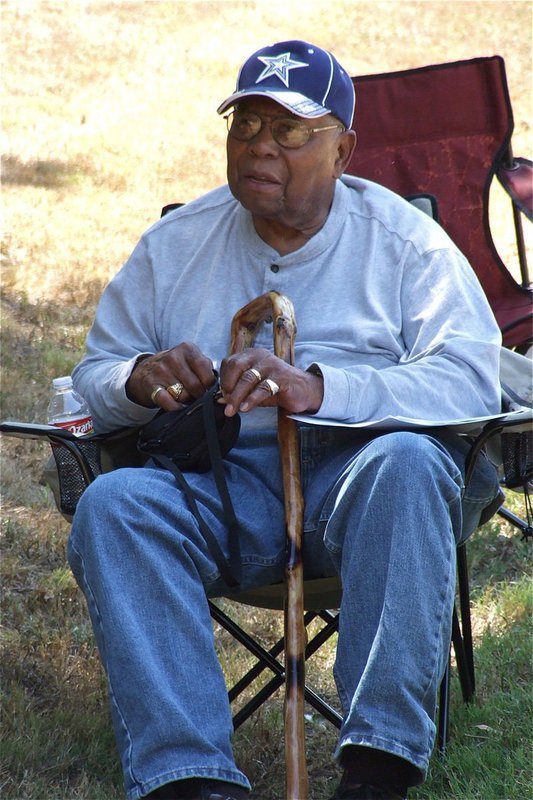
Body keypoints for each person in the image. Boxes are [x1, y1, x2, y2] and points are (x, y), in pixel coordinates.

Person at [68, 40, 503, 800]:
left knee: (406, 463)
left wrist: (321, 389)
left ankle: (376, 768)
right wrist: (139, 380)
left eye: (291, 130)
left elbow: (471, 377)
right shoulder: (174, 246)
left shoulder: (405, 244)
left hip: (359, 485)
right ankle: (188, 778)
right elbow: (92, 376)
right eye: (245, 125)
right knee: (114, 505)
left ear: (345, 150)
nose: (259, 145)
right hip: (221, 487)